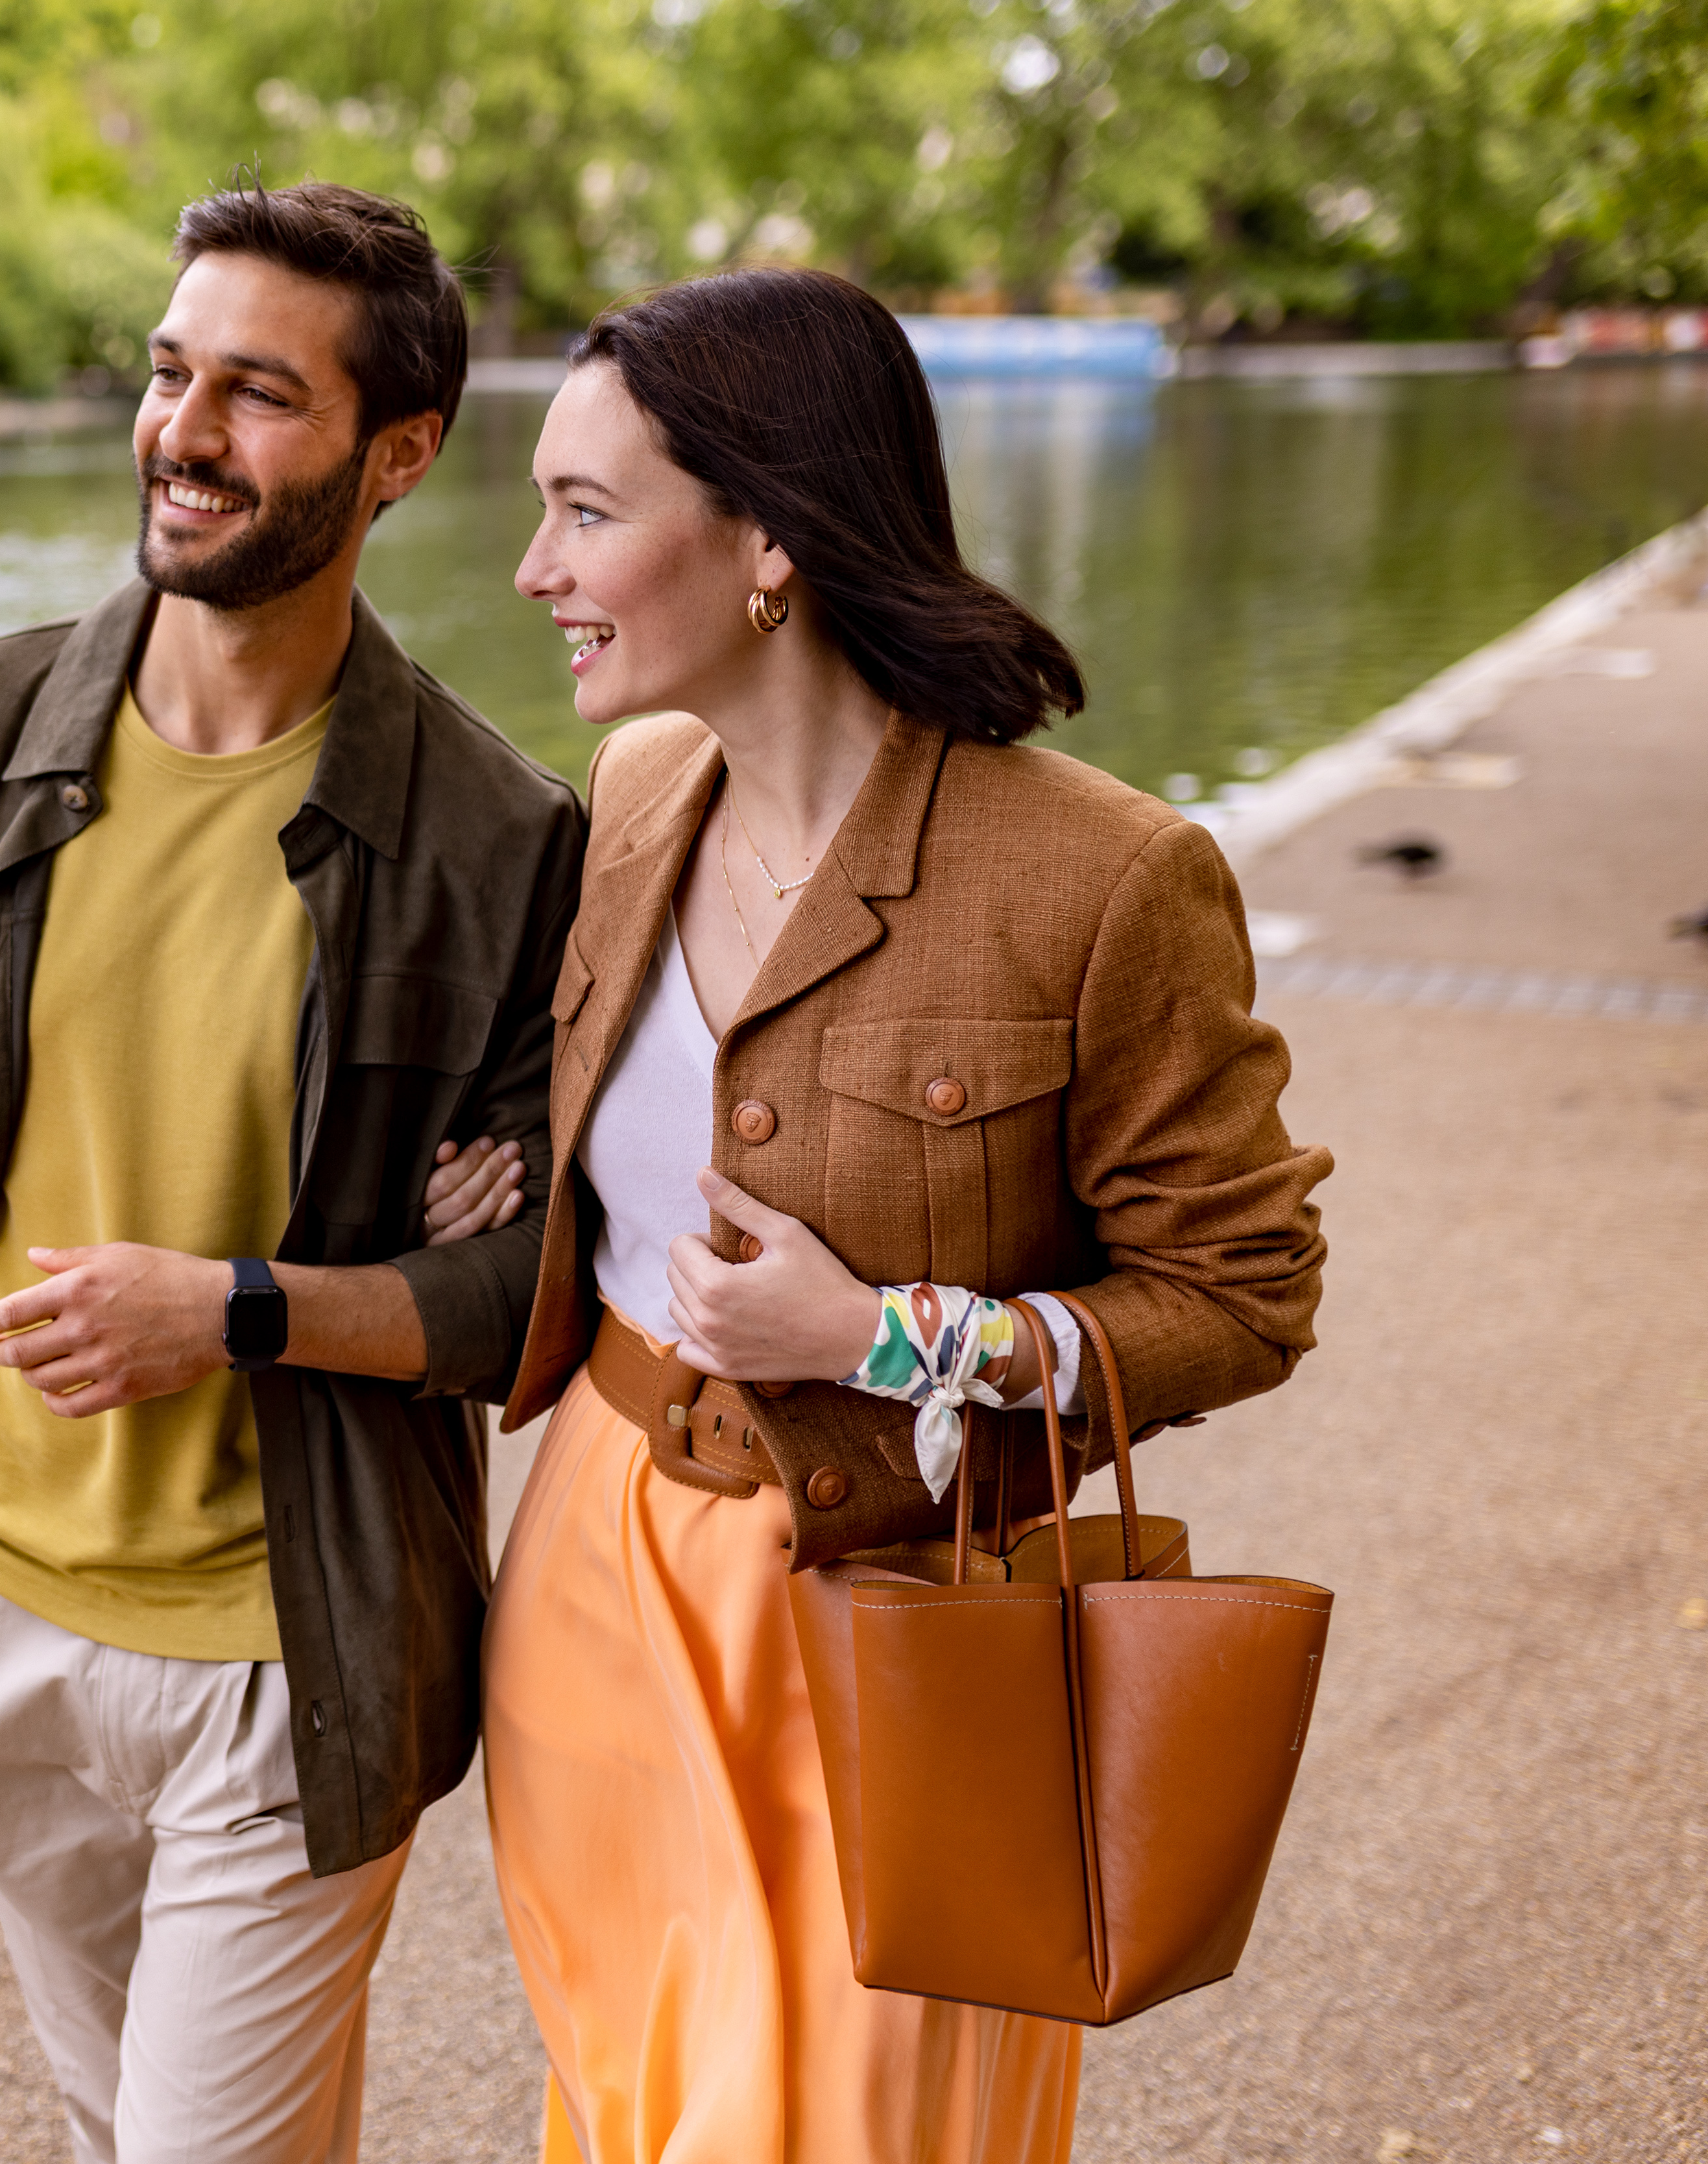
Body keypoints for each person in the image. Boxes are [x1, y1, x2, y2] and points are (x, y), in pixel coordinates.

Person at [479, 266, 1332, 2162]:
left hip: (889, 1623)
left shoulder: (1107, 878)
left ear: (769, 532)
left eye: (586, 511)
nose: (533, 564)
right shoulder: (633, 792)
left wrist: (891, 1336)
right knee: (626, 2102)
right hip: (593, 1584)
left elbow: (1248, 1293)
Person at [0, 180, 583, 2164]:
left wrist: (239, 1308)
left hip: (289, 1648)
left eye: (259, 394)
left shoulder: (501, 841)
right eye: (173, 374)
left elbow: (526, 1307)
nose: (185, 433)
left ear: (398, 452)